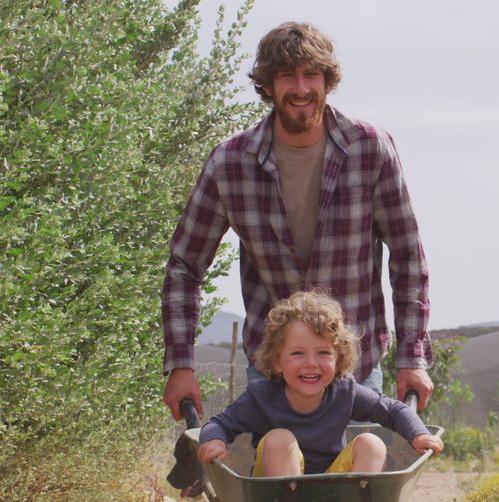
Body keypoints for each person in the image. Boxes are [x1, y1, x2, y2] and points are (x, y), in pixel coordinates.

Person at [161, 21, 434, 421]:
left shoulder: (369, 149)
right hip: (272, 374)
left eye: (311, 75)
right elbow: (185, 266)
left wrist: (413, 356)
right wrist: (181, 364)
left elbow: (408, 256)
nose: (301, 88)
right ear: (268, 85)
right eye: (287, 76)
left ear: (328, 81)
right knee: (277, 475)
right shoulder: (231, 162)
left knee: (357, 474)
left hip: (354, 371)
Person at [197, 291, 443, 475]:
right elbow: (218, 423)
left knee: (371, 443)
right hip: (274, 500)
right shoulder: (262, 396)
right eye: (297, 354)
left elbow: (394, 410)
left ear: (339, 360)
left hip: (333, 492)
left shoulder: (344, 392)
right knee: (279, 439)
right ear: (277, 361)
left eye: (323, 353)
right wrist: (214, 440)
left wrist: (419, 435)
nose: (311, 363)